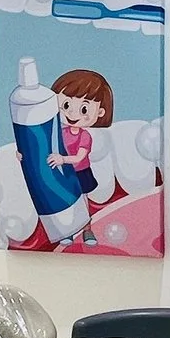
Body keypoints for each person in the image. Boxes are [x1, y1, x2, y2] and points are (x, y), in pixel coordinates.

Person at [47, 69, 113, 233]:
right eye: (66, 105)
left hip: (80, 172)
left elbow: (79, 157)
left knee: (82, 200)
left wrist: (62, 159)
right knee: (66, 201)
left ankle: (86, 229)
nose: (72, 113)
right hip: (64, 172)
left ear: (100, 112)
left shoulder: (85, 136)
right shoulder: (59, 132)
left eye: (83, 109)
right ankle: (68, 230)